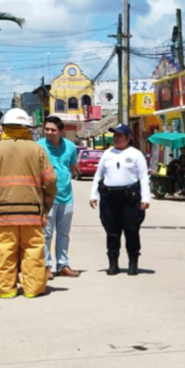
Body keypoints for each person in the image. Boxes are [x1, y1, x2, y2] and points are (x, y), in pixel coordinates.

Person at [0, 108, 57, 299]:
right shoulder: (37, 150)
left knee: (4, 252)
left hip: (4, 213)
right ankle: (32, 289)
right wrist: (46, 206)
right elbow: (51, 181)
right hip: (33, 214)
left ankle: (5, 290)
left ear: (5, 127)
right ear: (27, 127)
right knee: (33, 252)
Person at [90, 123, 151, 276]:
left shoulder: (136, 154)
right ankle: (113, 264)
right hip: (109, 198)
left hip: (130, 198)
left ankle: (133, 263)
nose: (116, 138)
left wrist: (145, 197)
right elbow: (98, 175)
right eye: (115, 135)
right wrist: (93, 195)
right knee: (112, 232)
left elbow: (144, 177)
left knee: (132, 231)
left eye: (119, 135)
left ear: (128, 138)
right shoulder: (107, 154)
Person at [39, 114, 81, 279]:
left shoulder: (70, 147)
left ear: (61, 131)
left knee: (64, 234)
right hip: (46, 198)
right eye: (47, 129)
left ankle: (63, 264)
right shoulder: (39, 147)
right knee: (46, 235)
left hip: (66, 197)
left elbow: (72, 168)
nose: (49, 132)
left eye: (53, 130)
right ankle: (46, 266)